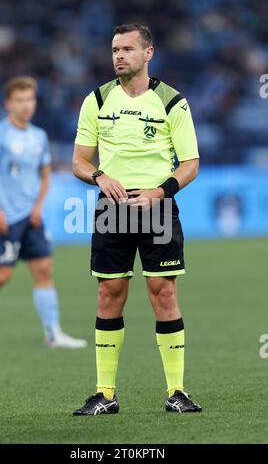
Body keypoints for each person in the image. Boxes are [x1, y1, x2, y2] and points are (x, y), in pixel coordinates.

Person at [72, 24, 202, 415]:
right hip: (112, 209)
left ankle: (176, 392)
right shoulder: (96, 100)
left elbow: (191, 164)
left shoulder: (171, 102)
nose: (118, 56)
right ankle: (105, 394)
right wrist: (100, 176)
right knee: (109, 295)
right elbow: (79, 160)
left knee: (163, 293)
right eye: (114, 49)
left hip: (157, 208)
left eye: (127, 48)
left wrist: (159, 192)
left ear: (149, 53)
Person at [0, 76, 87, 357]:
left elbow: (45, 176)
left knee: (44, 270)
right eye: (20, 100)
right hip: (7, 218)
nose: (26, 105)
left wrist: (38, 207)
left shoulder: (38, 136)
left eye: (30, 99)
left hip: (32, 218)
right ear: (9, 104)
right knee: (0, 275)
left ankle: (53, 333)